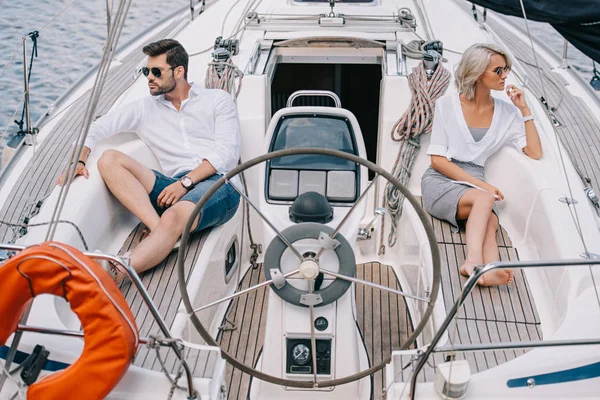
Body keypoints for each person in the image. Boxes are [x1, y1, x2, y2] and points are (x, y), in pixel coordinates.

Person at [57, 39, 241, 282]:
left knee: (174, 216)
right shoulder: (145, 109)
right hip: (172, 186)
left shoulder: (217, 100)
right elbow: (95, 128)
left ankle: (115, 273)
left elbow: (227, 153)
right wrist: (77, 162)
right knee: (109, 159)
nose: (149, 78)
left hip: (219, 184)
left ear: (179, 71)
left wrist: (185, 183)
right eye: (146, 71)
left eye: (156, 71)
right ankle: (161, 231)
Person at [421, 43, 543, 286]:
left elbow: (534, 152)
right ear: (477, 74)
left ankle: (489, 270)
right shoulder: (446, 105)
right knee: (485, 200)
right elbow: (438, 160)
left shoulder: (507, 113)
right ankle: (473, 261)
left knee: (491, 218)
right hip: (440, 179)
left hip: (474, 183)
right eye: (498, 71)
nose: (505, 75)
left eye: (506, 69)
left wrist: (524, 109)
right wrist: (480, 186)